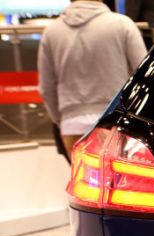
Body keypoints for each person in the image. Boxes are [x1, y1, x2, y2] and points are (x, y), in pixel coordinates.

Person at [38, 0, 146, 158]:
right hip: (115, 123)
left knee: (82, 180)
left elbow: (46, 88)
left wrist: (62, 121)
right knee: (118, 181)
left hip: (72, 124)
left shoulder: (51, 31)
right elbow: (143, 76)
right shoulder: (122, 24)